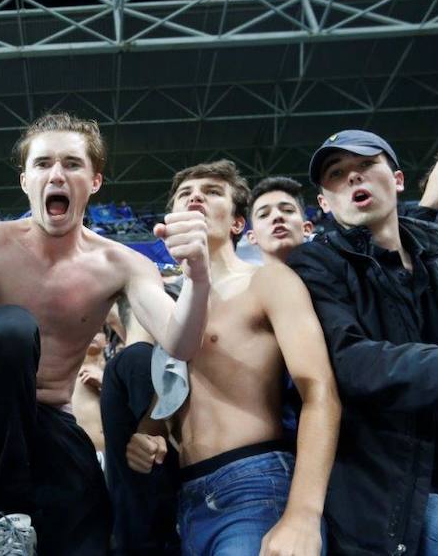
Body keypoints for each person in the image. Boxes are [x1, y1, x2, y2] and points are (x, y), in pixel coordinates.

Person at [0, 112, 210, 555]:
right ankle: (6, 513)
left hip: (50, 426)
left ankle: (19, 517)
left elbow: (181, 344)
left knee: (91, 531)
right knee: (12, 326)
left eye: (72, 164)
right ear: (25, 181)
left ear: (94, 181)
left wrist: (197, 277)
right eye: (43, 164)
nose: (56, 174)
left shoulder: (123, 263)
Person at [288, 129, 438, 553]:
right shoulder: (315, 263)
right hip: (392, 490)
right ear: (324, 204)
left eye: (366, 165)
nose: (353, 178)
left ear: (396, 179)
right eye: (338, 174)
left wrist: (434, 211)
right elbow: (352, 362)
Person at [126, 160, 340, 555]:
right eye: (185, 193)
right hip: (187, 498)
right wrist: (148, 434)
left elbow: (320, 391)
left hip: (256, 485)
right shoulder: (168, 308)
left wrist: (303, 515)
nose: (195, 196)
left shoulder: (268, 281)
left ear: (238, 223)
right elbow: (172, 393)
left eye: (211, 191)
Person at [100, 289, 180, 555]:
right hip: (152, 528)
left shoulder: (124, 361)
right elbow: (155, 444)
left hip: (136, 524)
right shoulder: (140, 359)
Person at [246, 176, 313, 264]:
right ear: (252, 237)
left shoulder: (333, 273)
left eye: (288, 210)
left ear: (306, 228)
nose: (277, 216)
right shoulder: (246, 278)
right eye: (263, 215)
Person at [72, 328, 106, 460]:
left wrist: (106, 382)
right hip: (82, 456)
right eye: (92, 328)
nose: (93, 333)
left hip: (116, 456)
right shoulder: (67, 375)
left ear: (107, 341)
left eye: (99, 330)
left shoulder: (116, 372)